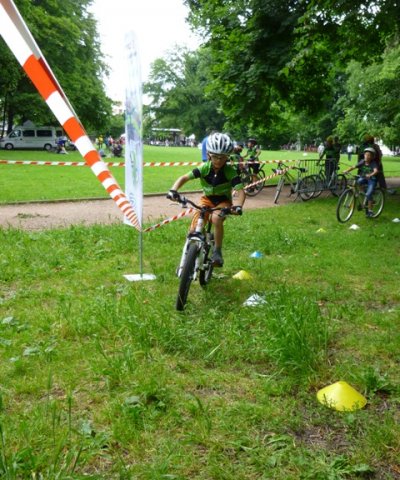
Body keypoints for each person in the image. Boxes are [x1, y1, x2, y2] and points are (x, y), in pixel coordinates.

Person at [167, 132, 245, 267]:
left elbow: (240, 190)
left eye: (222, 158)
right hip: (206, 199)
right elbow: (184, 178)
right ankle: (191, 252)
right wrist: (173, 190)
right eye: (215, 157)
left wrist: (238, 206)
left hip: (223, 201)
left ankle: (217, 252)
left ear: (227, 157)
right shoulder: (204, 168)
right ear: (209, 155)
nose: (218, 161)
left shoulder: (230, 171)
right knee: (195, 227)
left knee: (216, 219)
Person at [344, 147, 379, 217]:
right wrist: (347, 170)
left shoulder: (373, 163)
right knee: (358, 181)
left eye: (369, 155)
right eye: (365, 154)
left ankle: (370, 211)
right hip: (364, 178)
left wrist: (370, 175)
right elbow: (354, 166)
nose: (366, 156)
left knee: (369, 194)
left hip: (372, 179)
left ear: (372, 157)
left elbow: (376, 171)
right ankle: (363, 194)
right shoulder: (362, 161)